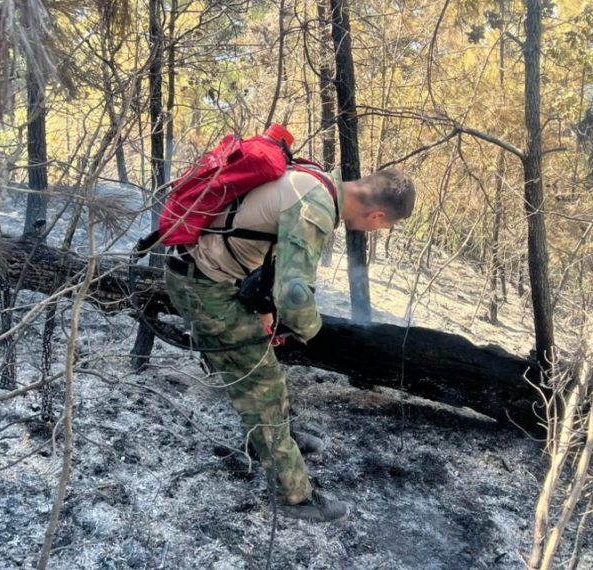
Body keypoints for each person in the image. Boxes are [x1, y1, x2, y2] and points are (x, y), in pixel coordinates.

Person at [163, 165, 415, 523]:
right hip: (204, 287)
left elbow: (271, 248)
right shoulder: (316, 207)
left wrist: (265, 308)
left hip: (208, 275)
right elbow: (294, 297)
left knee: (264, 374)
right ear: (376, 215)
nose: (379, 230)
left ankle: (269, 441)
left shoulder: (317, 180)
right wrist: (312, 332)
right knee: (261, 386)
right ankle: (294, 496)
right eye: (385, 226)